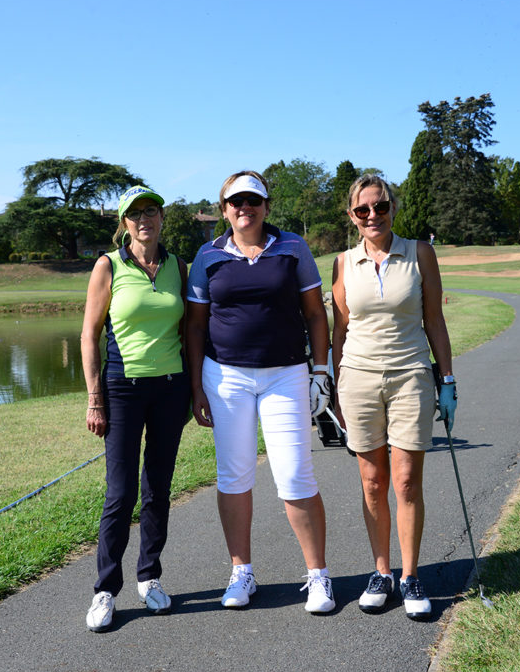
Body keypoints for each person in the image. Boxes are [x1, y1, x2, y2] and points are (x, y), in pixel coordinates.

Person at [186, 170, 336, 614]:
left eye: (253, 200)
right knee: (234, 477)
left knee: (295, 476)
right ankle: (241, 572)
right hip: (225, 377)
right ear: (224, 209)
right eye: (236, 202)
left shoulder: (292, 247)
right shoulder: (208, 255)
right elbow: (195, 325)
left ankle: (318, 576)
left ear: (267, 206)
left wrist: (320, 371)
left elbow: (315, 314)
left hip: (285, 375)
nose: (245, 208)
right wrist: (196, 386)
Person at [330, 174, 457, 620]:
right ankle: (381, 572)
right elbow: (340, 329)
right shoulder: (343, 263)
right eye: (363, 209)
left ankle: (410, 575)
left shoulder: (419, 253)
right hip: (358, 379)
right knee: (372, 482)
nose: (373, 215)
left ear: (392, 209)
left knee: (405, 482)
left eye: (380, 207)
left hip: (410, 377)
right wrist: (334, 385)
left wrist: (448, 380)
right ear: (352, 216)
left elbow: (434, 319)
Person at [80, 185, 191, 632]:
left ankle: (150, 577)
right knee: (120, 493)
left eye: (151, 211)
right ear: (124, 223)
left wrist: (193, 390)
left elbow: (188, 330)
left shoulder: (177, 266)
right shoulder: (109, 265)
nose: (144, 219)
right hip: (122, 390)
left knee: (158, 489)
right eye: (135, 213)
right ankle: (106, 589)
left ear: (162, 218)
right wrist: (95, 399)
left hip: (170, 389)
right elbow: (89, 335)